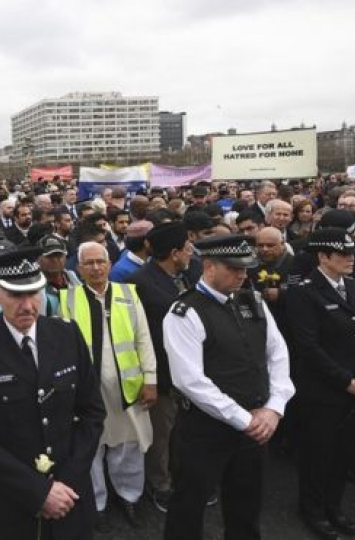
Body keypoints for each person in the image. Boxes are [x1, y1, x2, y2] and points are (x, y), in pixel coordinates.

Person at [0, 246, 106, 540]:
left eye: (34, 293)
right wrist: (39, 492)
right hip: (10, 502)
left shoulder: (67, 334)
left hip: (69, 495)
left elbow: (92, 413)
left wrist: (66, 483)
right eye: (16, 295)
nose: (27, 306)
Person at [162, 234, 295, 540]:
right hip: (205, 430)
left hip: (255, 424)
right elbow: (190, 381)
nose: (242, 275)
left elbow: (277, 355)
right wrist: (246, 420)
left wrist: (274, 408)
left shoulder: (253, 301)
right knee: (188, 507)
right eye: (234, 268)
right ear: (209, 266)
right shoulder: (185, 312)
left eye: (245, 268)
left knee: (246, 506)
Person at [60, 241, 156, 532]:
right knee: (91, 447)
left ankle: (129, 497)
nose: (95, 268)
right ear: (78, 268)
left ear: (110, 264)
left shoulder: (128, 294)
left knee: (128, 445)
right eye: (88, 263)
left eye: (100, 261)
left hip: (128, 388)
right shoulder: (67, 299)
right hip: (87, 390)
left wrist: (150, 378)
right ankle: (97, 504)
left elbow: (143, 338)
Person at [287, 228, 355, 539]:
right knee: (318, 452)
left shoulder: (351, 286)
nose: (350, 259)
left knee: (343, 452)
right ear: (323, 257)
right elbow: (308, 346)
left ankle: (334, 507)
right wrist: (345, 381)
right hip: (323, 389)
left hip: (350, 386)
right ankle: (312, 509)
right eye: (343, 254)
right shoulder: (303, 292)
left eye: (352, 253)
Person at [126, 222, 193, 512]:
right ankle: (160, 485)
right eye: (187, 249)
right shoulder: (141, 283)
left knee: (182, 433)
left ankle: (182, 477)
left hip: (188, 372)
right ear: (175, 253)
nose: (191, 253)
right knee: (160, 435)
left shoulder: (184, 275)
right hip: (162, 374)